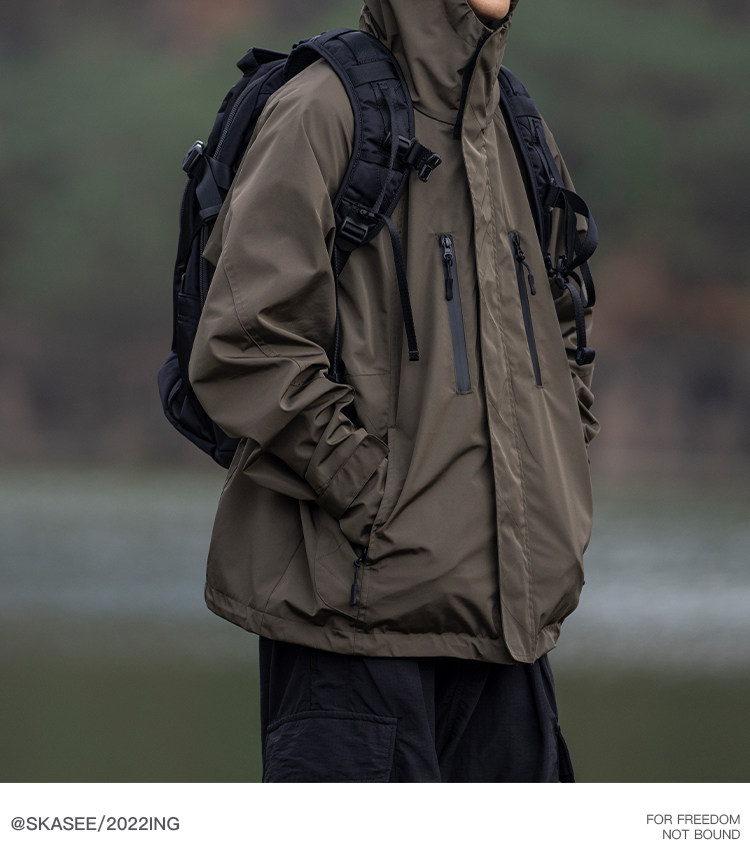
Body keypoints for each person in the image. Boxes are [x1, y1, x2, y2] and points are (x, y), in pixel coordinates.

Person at [188, 0, 599, 782]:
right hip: (353, 633)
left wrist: (561, 466)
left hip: (508, 632)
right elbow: (246, 340)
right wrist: (373, 497)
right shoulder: (322, 108)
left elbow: (565, 320)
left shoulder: (513, 120)